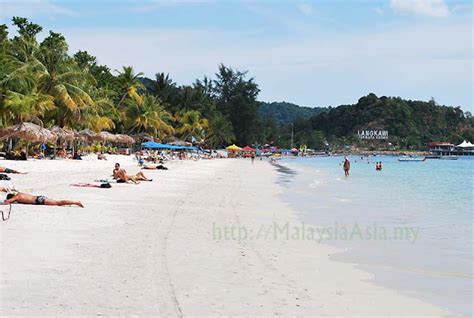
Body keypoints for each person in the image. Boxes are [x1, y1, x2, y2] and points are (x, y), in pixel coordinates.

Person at [0, 187, 83, 207]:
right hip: (39, 198)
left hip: (39, 200)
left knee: (58, 203)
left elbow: (8, 201)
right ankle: (74, 202)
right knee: (58, 202)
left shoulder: (17, 197)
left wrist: (4, 201)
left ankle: (76, 202)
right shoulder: (19, 193)